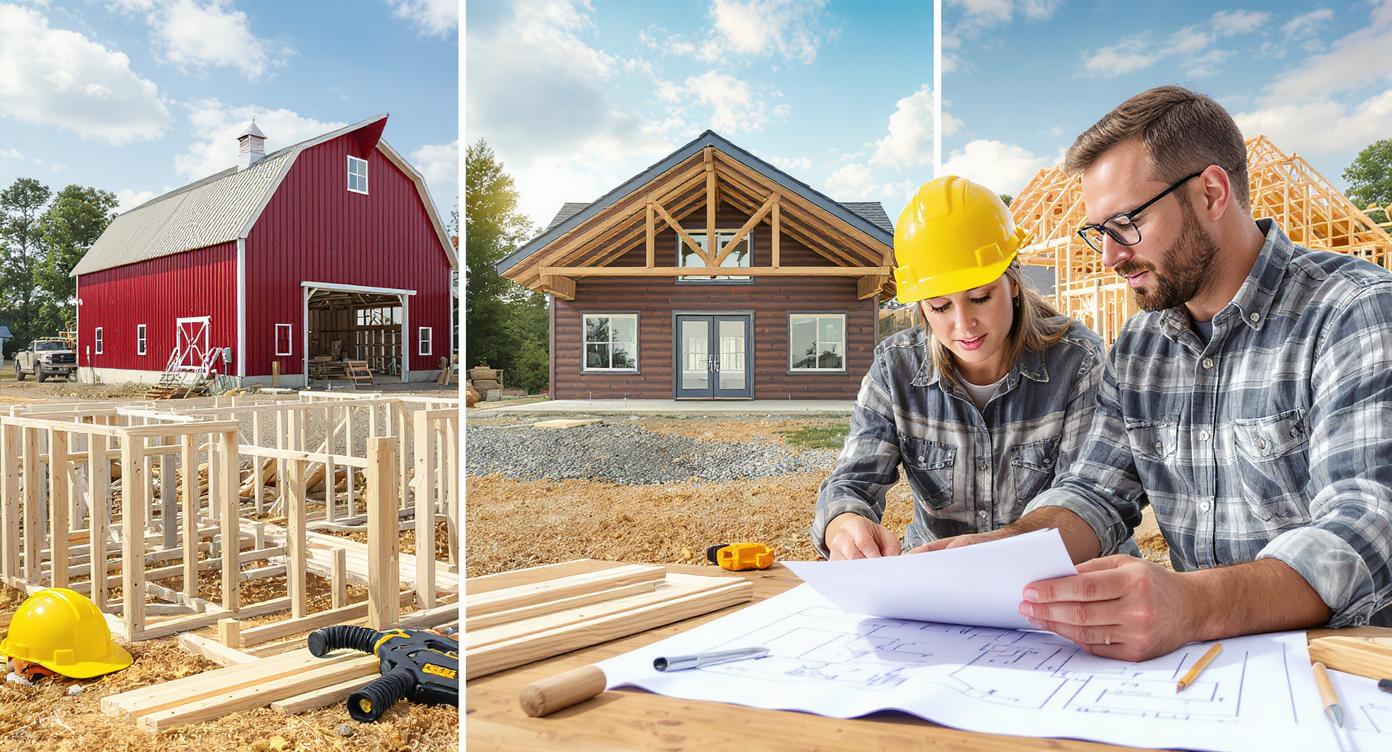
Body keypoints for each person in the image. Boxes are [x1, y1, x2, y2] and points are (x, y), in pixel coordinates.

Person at [924, 85, 1392, 660]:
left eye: (1125, 224)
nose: (1110, 257)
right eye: (1099, 232)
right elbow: (1093, 492)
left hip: (1350, 670)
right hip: (1205, 670)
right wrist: (1002, 548)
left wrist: (1194, 605)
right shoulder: (1142, 346)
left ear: (1212, 193)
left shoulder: (1354, 312)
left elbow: (1367, 529)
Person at [812, 175, 1115, 561]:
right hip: (941, 588)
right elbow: (851, 483)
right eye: (940, 307)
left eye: (980, 297)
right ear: (921, 305)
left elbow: (1090, 498)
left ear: (1015, 280)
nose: (963, 324)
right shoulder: (895, 368)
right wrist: (846, 523)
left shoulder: (1079, 360)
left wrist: (996, 549)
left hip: (1059, 581)